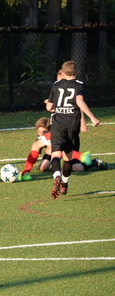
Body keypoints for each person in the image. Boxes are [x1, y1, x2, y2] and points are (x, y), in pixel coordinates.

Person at [44, 60, 100, 198]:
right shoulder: (79, 85)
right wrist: (92, 118)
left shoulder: (56, 85)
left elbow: (49, 107)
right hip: (72, 125)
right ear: (77, 72)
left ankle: (57, 176)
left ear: (62, 73)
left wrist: (54, 106)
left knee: (55, 155)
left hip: (58, 125)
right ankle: (64, 183)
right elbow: (79, 101)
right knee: (68, 157)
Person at [19, 116, 108, 181]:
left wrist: (80, 156)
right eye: (39, 132)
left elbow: (63, 151)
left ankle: (94, 162)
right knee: (43, 167)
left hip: (69, 147)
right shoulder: (41, 138)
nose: (41, 134)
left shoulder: (56, 136)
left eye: (44, 132)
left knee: (77, 168)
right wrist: (26, 171)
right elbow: (34, 152)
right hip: (53, 151)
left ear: (51, 130)